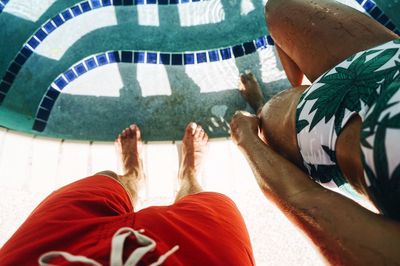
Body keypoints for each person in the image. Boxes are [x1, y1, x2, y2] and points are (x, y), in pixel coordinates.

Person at [230, 0, 400, 264]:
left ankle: (263, 106)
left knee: (269, 117)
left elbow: (306, 201)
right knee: (278, 8)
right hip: (392, 65)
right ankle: (298, 86)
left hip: (329, 132)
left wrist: (247, 139)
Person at [0, 123, 254, 265]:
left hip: (49, 258)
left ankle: (133, 175)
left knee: (105, 181)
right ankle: (187, 174)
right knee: (204, 205)